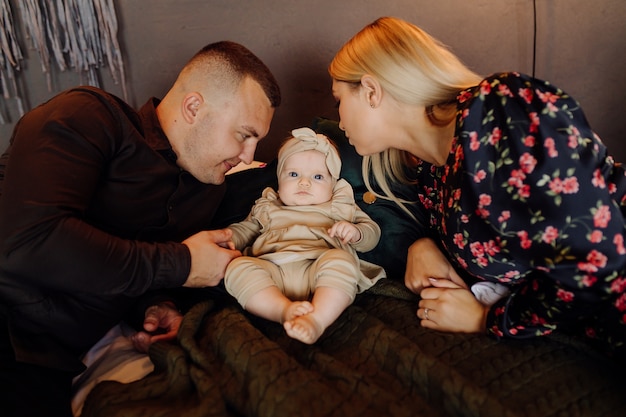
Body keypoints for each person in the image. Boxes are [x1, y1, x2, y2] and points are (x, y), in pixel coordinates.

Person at [0, 40, 281, 417]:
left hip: (48, 363)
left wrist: (151, 304)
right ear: (194, 107)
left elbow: (118, 259)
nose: (249, 155)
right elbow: (25, 244)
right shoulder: (89, 115)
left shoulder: (206, 194)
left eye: (257, 141)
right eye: (244, 134)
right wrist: (180, 263)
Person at [328, 16, 626, 362]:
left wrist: (487, 319)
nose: (339, 120)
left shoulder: (499, 109)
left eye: (338, 99)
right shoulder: (430, 171)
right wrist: (423, 245)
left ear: (370, 91)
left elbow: (598, 259)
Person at [224, 127, 385, 344]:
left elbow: (372, 234)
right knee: (237, 268)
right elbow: (246, 229)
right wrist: (227, 237)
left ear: (332, 184)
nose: (304, 182)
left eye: (318, 176)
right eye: (293, 174)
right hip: (272, 271)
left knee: (342, 261)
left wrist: (356, 232)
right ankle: (283, 310)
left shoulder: (339, 206)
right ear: (279, 182)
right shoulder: (267, 206)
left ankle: (318, 319)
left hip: (318, 269)